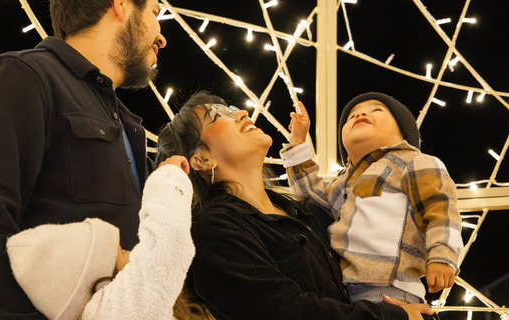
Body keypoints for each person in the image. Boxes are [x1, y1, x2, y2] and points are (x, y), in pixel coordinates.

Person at [0, 0, 167, 319]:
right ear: (120, 1)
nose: (161, 37)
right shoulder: (22, 77)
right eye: (156, 14)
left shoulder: (129, 126)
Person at [155, 91, 438, 320]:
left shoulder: (308, 213)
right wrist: (391, 316)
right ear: (202, 160)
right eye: (219, 116)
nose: (241, 113)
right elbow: (285, 312)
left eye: (232, 108)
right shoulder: (214, 230)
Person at [283, 93, 463, 306]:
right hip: (341, 292)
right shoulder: (344, 182)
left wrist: (442, 256)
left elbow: (440, 209)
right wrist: (296, 143)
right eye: (351, 116)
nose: (360, 113)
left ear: (403, 133)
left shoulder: (415, 162)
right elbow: (309, 197)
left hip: (388, 290)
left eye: (376, 110)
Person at [6, 159, 198, 320]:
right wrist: (169, 174)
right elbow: (167, 243)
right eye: (121, 251)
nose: (132, 252)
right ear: (98, 283)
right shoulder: (122, 312)